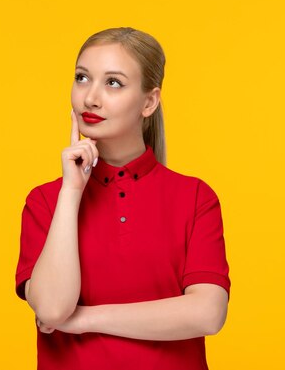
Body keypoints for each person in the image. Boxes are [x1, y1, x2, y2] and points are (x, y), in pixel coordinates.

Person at [15, 27, 231, 370]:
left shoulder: (194, 198)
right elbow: (53, 309)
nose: (91, 98)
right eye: (82, 78)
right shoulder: (46, 201)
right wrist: (71, 192)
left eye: (113, 83)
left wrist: (84, 320)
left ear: (149, 102)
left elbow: (208, 313)